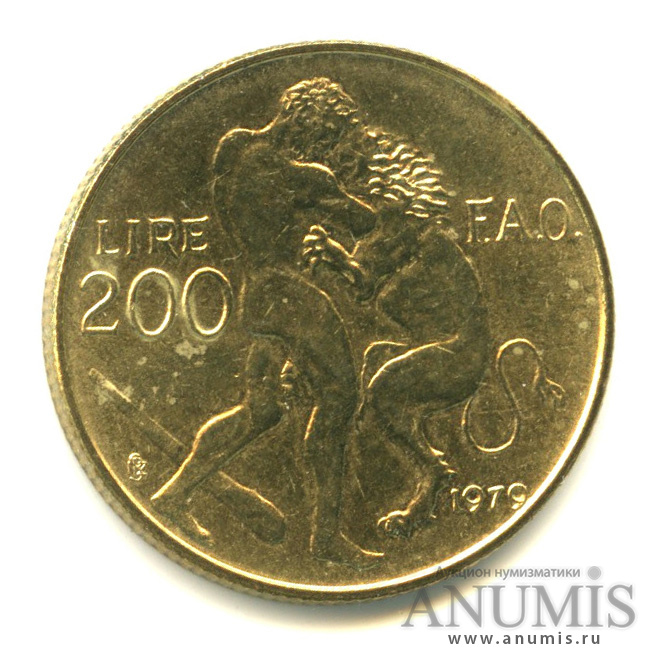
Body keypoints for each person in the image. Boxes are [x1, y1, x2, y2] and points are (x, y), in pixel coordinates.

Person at [151, 78, 382, 566]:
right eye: (328, 134)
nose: (327, 146)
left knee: (260, 410)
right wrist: (338, 188)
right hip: (291, 297)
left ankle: (173, 495)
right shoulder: (301, 175)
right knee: (340, 398)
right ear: (309, 120)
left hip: (256, 295)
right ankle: (326, 539)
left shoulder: (234, 149)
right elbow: (366, 221)